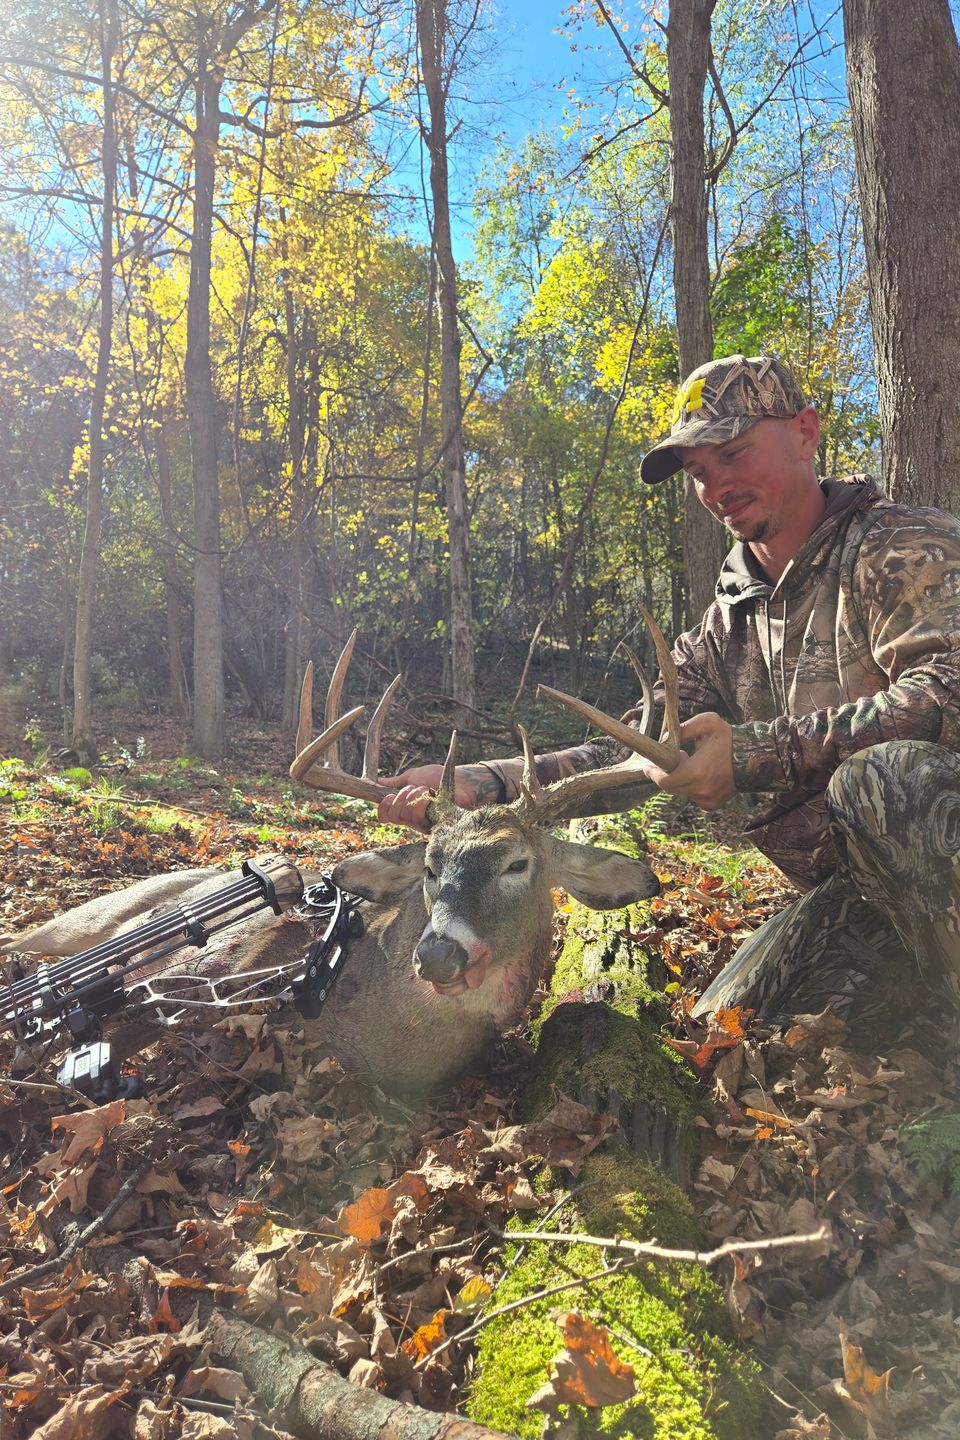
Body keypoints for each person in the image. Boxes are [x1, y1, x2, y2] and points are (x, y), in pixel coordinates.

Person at [379, 354, 960, 1035]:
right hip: (866, 896)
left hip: (934, 844)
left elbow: (945, 693)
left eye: (733, 452)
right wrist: (486, 783)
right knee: (729, 1025)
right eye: (698, 472)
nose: (717, 485)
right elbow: (632, 752)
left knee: (883, 780)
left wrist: (749, 755)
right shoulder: (727, 624)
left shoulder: (904, 547)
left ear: (806, 432)